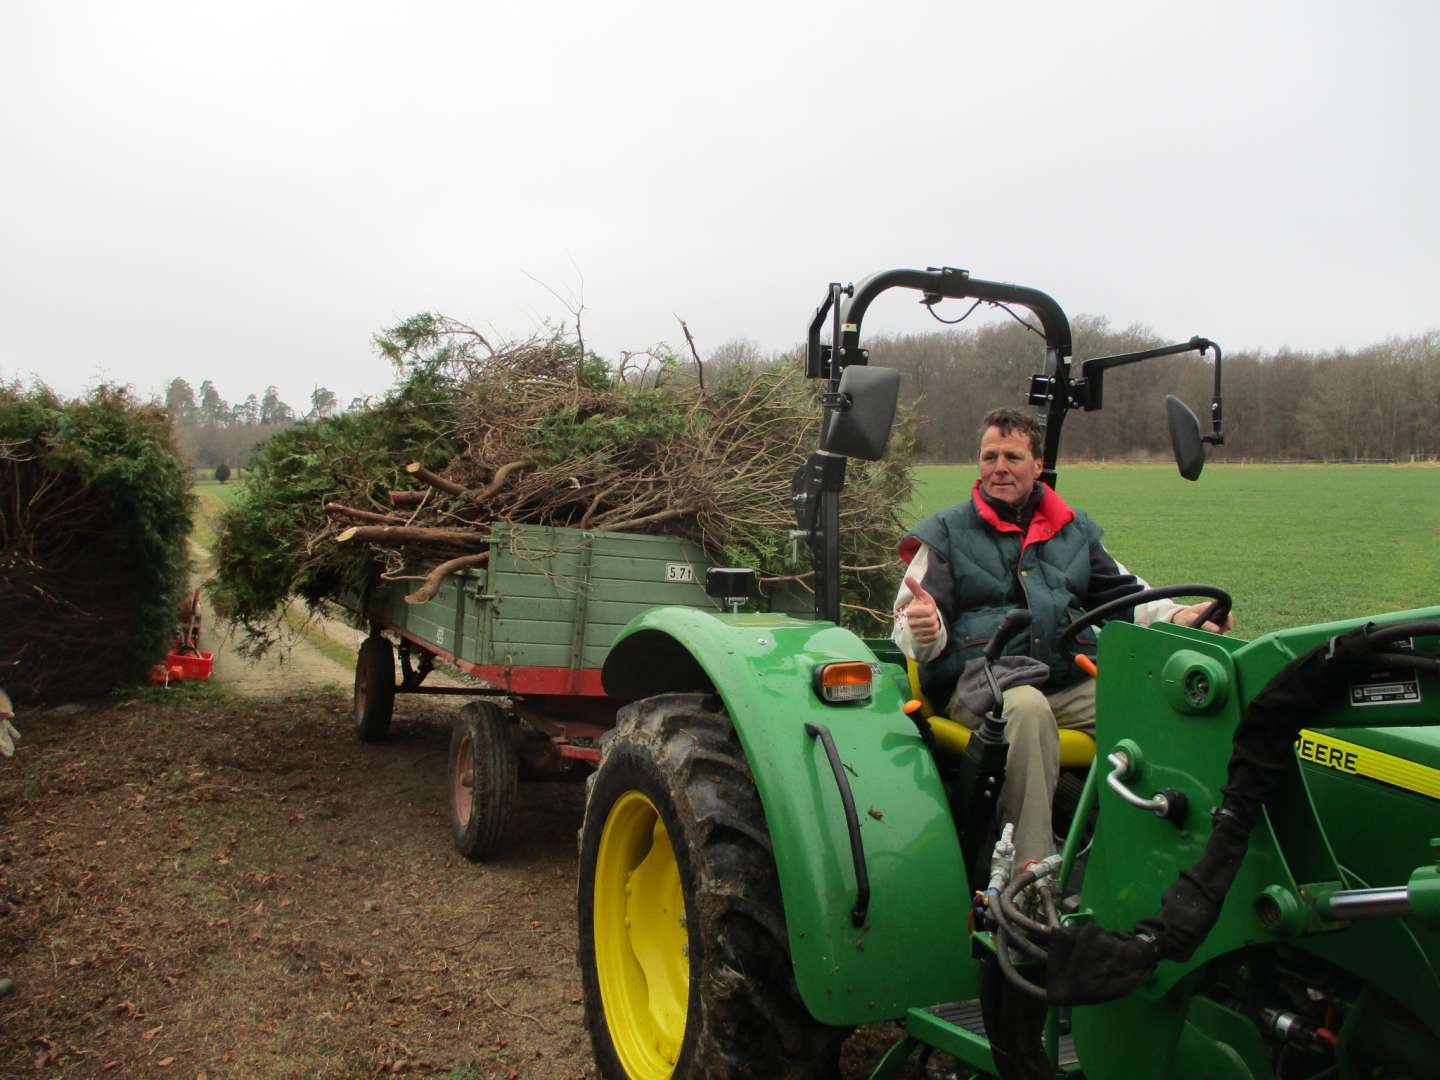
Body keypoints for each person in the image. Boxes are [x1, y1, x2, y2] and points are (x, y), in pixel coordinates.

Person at [893, 407, 1234, 877]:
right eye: (989, 456)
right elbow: (910, 621)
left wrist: (1180, 614)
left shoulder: (1071, 530)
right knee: (1028, 710)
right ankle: (1032, 869)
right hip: (981, 684)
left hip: (1064, 678)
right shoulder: (946, 533)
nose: (999, 467)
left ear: (1038, 464)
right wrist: (924, 628)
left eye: (1012, 456)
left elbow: (1125, 597)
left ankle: (1165, 852)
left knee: (1154, 703)